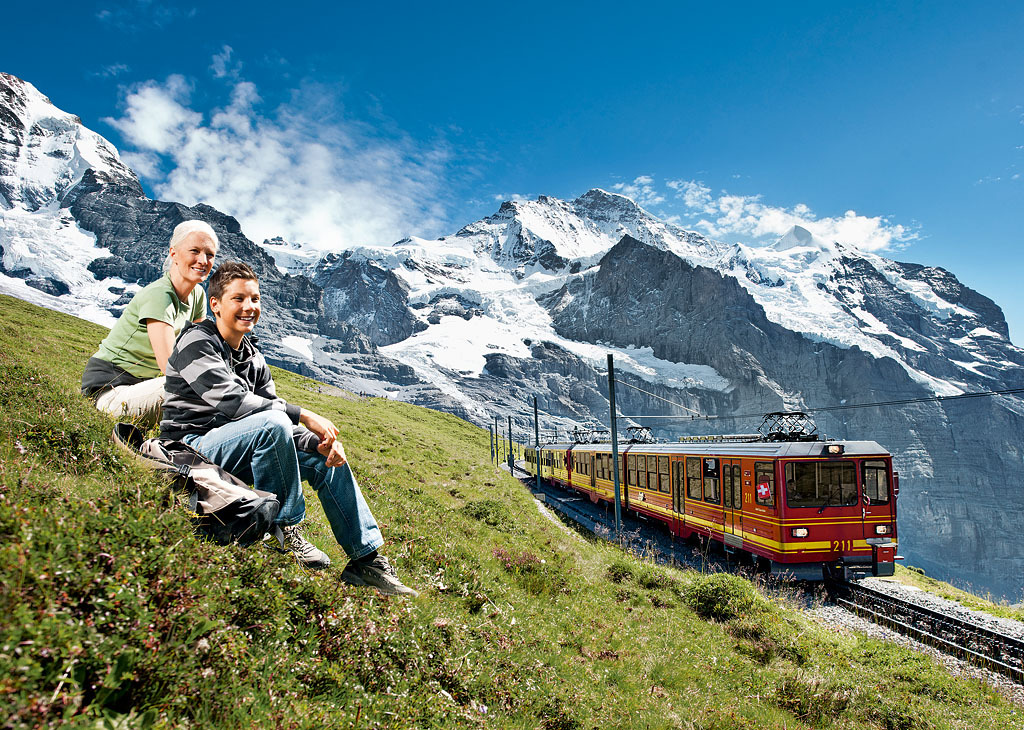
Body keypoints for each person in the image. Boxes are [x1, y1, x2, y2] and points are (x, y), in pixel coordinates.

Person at [160, 260, 417, 597]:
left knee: (327, 460)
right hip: (190, 450)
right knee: (276, 422)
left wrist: (318, 444)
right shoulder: (196, 340)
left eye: (255, 299)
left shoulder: (253, 358)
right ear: (216, 304)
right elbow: (232, 403)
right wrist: (304, 414)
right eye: (238, 299)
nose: (249, 307)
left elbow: (275, 426)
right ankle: (282, 532)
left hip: (238, 448)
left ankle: (365, 560)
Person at [81, 220, 219, 426]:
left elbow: (199, 349)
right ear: (174, 254)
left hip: (146, 387)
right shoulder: (159, 296)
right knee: (193, 388)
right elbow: (169, 367)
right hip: (111, 389)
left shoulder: (197, 294)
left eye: (209, 254)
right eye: (194, 251)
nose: (203, 260)